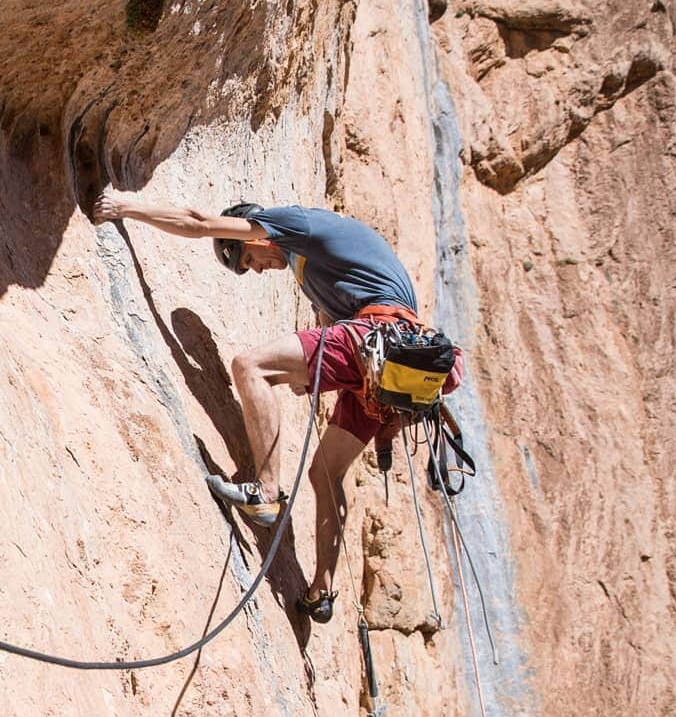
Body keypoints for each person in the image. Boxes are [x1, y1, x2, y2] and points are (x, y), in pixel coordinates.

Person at [92, 193, 462, 624]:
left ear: (260, 235)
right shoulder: (318, 273)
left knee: (250, 366)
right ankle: (321, 592)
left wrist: (123, 209)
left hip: (375, 340)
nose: (255, 268)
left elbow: (197, 222)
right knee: (326, 472)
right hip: (392, 365)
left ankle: (266, 492)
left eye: (248, 258)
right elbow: (327, 344)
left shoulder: (294, 224)